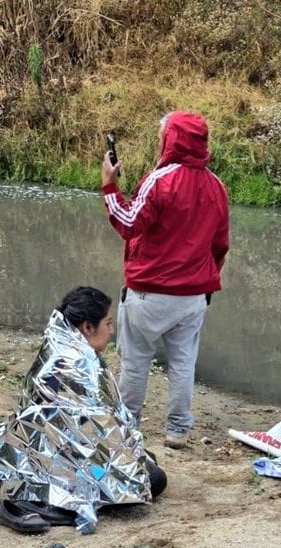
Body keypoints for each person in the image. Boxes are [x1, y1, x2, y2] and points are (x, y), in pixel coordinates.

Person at [0, 286, 166, 535]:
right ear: (87, 327)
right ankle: (34, 504)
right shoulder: (73, 363)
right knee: (152, 479)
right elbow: (94, 429)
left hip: (53, 449)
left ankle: (36, 500)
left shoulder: (67, 348)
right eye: (107, 323)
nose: (111, 331)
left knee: (144, 463)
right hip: (51, 459)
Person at [100, 111, 230, 449]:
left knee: (136, 360)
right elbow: (220, 245)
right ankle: (177, 430)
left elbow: (127, 222)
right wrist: (205, 281)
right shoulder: (217, 186)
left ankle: (128, 425)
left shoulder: (160, 179)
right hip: (193, 297)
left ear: (170, 140)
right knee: (183, 362)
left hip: (149, 293)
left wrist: (109, 185)